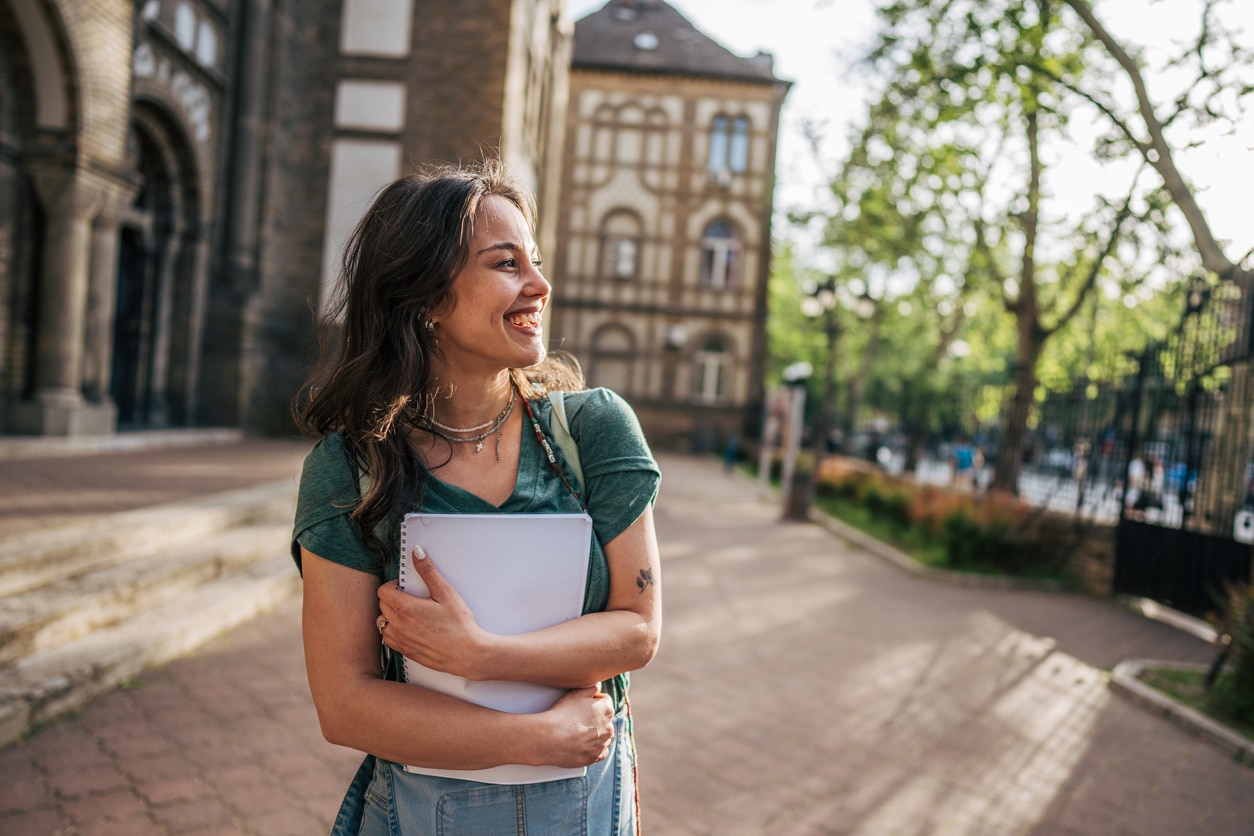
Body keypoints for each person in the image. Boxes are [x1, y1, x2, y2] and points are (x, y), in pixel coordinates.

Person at [289, 160, 662, 835]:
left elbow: (638, 629)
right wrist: (536, 739)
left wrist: (482, 654)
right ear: (426, 297)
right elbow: (344, 706)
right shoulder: (348, 470)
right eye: (506, 264)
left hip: (584, 809)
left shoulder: (595, 429)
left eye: (536, 262)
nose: (540, 285)